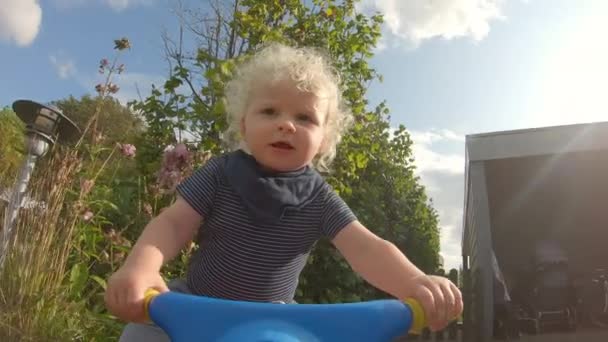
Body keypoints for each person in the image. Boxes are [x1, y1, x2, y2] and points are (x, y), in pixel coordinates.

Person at [104, 42, 463, 341]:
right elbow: (173, 224)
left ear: (323, 141)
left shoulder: (318, 198)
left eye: (305, 118)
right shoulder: (220, 173)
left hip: (274, 319)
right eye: (270, 110)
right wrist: (140, 267)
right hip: (193, 307)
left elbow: (366, 248)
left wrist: (415, 282)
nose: (286, 124)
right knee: (140, 335)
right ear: (244, 126)